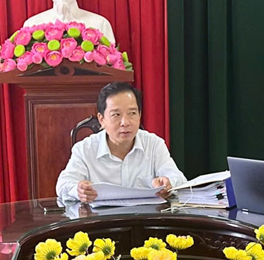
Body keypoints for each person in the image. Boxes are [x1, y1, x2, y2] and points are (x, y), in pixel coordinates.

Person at [56, 82, 186, 204]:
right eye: (116, 115)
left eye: (132, 113)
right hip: (102, 219)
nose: (125, 122)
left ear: (139, 115)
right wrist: (78, 191)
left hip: (145, 218)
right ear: (101, 119)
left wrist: (169, 183)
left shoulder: (154, 144)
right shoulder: (85, 149)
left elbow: (179, 179)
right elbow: (63, 184)